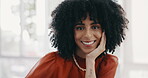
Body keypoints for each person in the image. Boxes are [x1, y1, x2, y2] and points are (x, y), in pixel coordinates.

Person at [26, 0, 128, 78]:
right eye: (80, 28)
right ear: (69, 31)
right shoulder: (52, 62)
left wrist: (90, 60)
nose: (88, 35)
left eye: (95, 27)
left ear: (106, 30)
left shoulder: (108, 63)